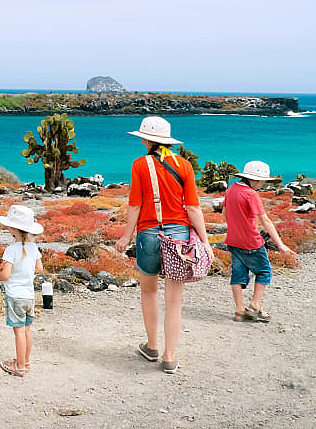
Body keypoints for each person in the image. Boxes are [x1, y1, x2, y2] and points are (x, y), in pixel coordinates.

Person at [115, 116, 212, 375]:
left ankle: (152, 346)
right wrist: (205, 241)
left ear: (146, 140)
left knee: (148, 292)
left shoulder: (140, 165)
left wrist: (125, 237)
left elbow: (134, 204)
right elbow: (192, 207)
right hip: (180, 236)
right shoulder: (184, 165)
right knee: (174, 301)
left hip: (148, 234)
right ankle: (169, 358)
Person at [224, 160, 297, 322]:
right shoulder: (251, 195)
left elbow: (225, 212)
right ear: (255, 180)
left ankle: (239, 311)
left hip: (233, 240)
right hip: (251, 242)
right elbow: (266, 221)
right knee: (264, 272)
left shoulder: (231, 190)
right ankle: (255, 305)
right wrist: (280, 245)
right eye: (263, 181)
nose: (263, 184)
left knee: (237, 275)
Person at [0, 204, 44, 378]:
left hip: (15, 296)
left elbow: (5, 275)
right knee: (27, 329)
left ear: (11, 229)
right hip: (29, 296)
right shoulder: (33, 247)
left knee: (18, 331)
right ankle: (26, 362)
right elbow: (39, 268)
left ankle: (20, 367)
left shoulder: (11, 250)